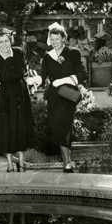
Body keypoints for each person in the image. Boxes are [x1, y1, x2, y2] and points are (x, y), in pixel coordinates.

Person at [36, 22, 87, 172]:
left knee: (65, 127)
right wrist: (34, 80)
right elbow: (42, 76)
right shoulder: (47, 57)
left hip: (68, 96)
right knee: (58, 128)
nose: (54, 42)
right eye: (52, 39)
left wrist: (64, 80)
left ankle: (67, 164)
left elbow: (82, 74)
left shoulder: (73, 53)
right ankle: (69, 161)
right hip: (54, 97)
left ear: (63, 38)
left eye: (57, 39)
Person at [0, 27, 35, 172]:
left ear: (11, 41)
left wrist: (32, 81)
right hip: (4, 97)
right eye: (1, 42)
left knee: (21, 127)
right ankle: (9, 164)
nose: (4, 44)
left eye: (6, 41)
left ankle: (20, 161)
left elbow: (25, 72)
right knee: (5, 130)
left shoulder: (19, 52)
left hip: (20, 94)